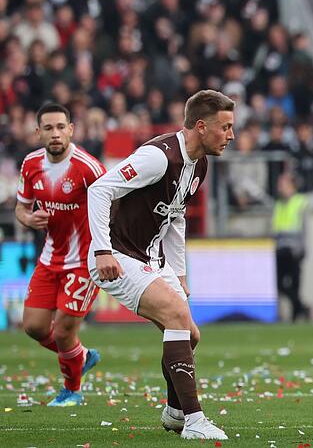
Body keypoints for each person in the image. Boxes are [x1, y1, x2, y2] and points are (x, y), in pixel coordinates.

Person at [87, 90, 235, 440]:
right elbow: (98, 189)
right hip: (119, 255)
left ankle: (173, 411)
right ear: (201, 126)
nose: (231, 135)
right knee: (176, 315)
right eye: (225, 127)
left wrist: (179, 274)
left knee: (191, 334)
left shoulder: (200, 163)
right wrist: (102, 250)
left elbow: (177, 217)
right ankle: (195, 420)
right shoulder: (157, 157)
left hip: (153, 258)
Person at [16, 102, 104, 407]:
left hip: (83, 261)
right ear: (38, 132)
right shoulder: (30, 165)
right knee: (35, 327)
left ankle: (72, 390)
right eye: (49, 128)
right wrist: (28, 219)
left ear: (71, 130)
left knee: (65, 330)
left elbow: (111, 205)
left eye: (61, 127)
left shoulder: (88, 167)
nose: (56, 134)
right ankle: (82, 356)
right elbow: (21, 207)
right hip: (50, 258)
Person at [272, 172, 310, 321]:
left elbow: (306, 229)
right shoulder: (279, 204)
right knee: (280, 286)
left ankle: (296, 314)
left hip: (294, 250)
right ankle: (301, 308)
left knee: (294, 285)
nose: (280, 188)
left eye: (283, 184)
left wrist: (302, 249)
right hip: (281, 249)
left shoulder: (300, 202)